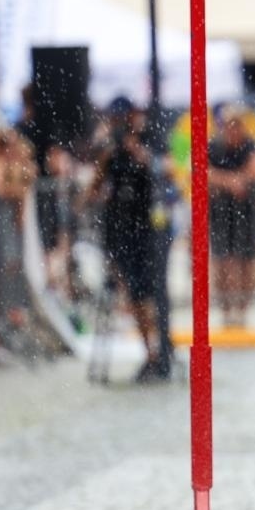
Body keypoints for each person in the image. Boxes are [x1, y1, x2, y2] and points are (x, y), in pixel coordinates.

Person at [92, 99, 170, 382]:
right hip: (119, 232)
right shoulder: (109, 149)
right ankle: (149, 351)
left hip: (148, 232)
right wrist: (106, 156)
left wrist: (141, 154)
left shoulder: (150, 139)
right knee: (135, 294)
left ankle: (158, 351)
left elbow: (168, 172)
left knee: (149, 294)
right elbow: (94, 189)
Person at [206, 106, 255, 328]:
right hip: (221, 209)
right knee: (223, 260)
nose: (234, 130)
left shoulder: (250, 145)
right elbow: (202, 171)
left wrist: (234, 180)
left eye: (237, 124)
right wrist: (231, 181)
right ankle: (226, 309)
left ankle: (242, 310)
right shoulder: (214, 146)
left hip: (244, 209)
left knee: (246, 261)